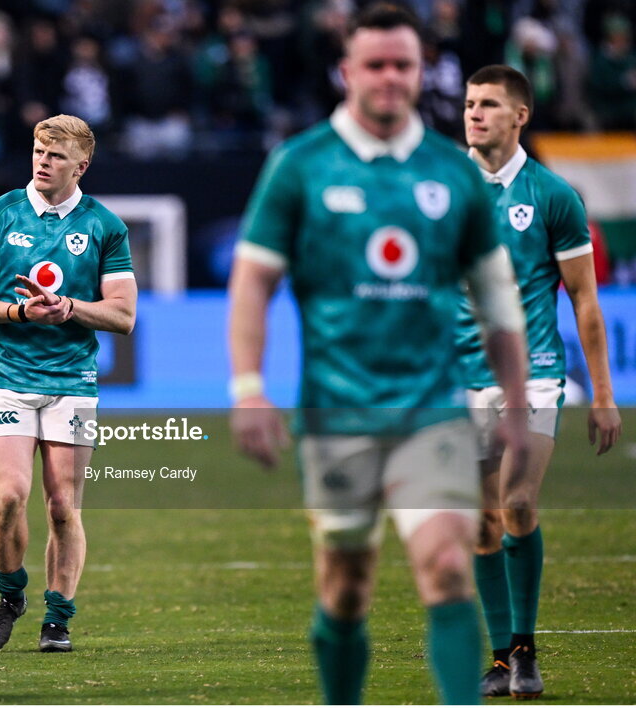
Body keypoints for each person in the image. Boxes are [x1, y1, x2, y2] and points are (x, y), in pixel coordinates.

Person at [227, 4, 531, 704]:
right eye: (376, 64)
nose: (390, 77)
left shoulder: (453, 175)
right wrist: (247, 386)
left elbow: (498, 304)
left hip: (433, 411)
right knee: (346, 588)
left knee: (448, 565)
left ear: (421, 71)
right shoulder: (298, 165)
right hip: (338, 415)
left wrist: (514, 401)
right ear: (347, 71)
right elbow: (252, 281)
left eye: (404, 64)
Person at [458, 64, 622, 699]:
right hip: (460, 379)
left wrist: (603, 396)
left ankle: (525, 651)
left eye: (489, 105)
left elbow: (584, 301)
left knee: (517, 503)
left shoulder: (554, 195)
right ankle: (501, 660)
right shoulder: (442, 191)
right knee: (479, 526)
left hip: (536, 378)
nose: (474, 114)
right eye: (470, 104)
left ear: (519, 115)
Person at [0, 114, 136, 653]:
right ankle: (10, 595)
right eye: (37, 150)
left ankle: (58, 619)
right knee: (10, 496)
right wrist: (18, 312)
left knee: (62, 507)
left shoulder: (105, 226)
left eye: (55, 156)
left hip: (74, 383)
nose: (42, 161)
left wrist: (69, 308)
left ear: (81, 166)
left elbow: (124, 315)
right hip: (9, 379)